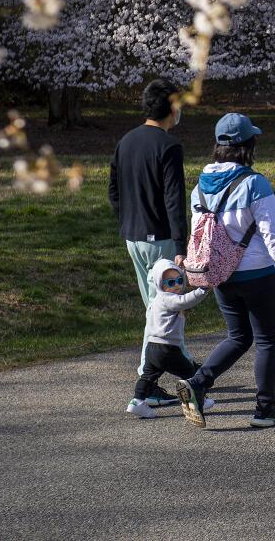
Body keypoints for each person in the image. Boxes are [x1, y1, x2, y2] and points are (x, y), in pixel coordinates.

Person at [176, 112, 275, 429]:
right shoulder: (254, 184)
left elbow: (198, 234)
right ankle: (265, 409)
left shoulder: (200, 187)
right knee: (266, 341)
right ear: (248, 145)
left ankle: (198, 382)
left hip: (221, 274)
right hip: (258, 274)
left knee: (238, 336)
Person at [109, 78, 189, 407]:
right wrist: (181, 245)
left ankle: (186, 370)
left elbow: (113, 191)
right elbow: (174, 199)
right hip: (162, 240)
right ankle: (148, 382)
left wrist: (127, 221)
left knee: (155, 308)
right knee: (165, 311)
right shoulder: (168, 146)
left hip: (134, 237)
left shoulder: (126, 141)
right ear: (171, 107)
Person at [126, 259, 217, 419]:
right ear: (160, 284)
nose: (176, 285)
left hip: (152, 347)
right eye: (170, 282)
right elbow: (185, 301)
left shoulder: (155, 302)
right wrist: (202, 290)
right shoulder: (167, 299)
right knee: (190, 373)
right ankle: (196, 401)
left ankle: (137, 401)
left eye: (180, 280)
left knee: (148, 376)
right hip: (167, 349)